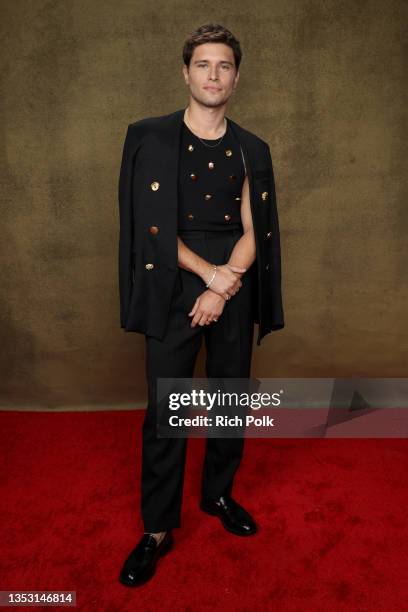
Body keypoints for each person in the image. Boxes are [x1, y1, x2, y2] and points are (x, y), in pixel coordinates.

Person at [118, 23, 284, 587]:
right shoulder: (148, 137)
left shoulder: (251, 147)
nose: (213, 75)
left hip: (231, 281)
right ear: (185, 72)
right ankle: (157, 528)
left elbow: (254, 227)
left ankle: (218, 494)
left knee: (229, 395)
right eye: (203, 65)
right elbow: (148, 227)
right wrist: (205, 276)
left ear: (236, 76)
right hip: (172, 275)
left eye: (224, 66)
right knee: (167, 411)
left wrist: (223, 285)